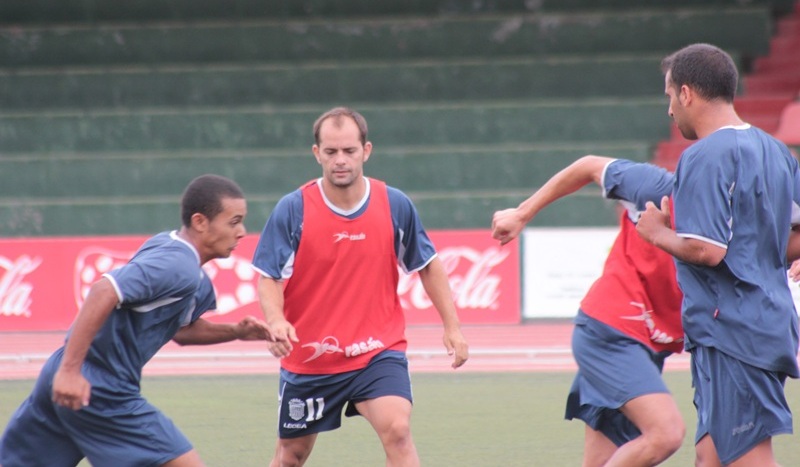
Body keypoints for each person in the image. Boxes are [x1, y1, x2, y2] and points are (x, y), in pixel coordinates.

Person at [0, 174, 275, 467]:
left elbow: (181, 331)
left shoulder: (179, 260)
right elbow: (104, 290)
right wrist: (71, 371)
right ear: (200, 222)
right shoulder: (178, 266)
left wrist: (235, 331)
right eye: (233, 221)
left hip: (64, 372)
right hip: (100, 388)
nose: (242, 231)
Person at [252, 106, 469, 467]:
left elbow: (428, 266)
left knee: (398, 430)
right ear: (316, 153)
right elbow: (269, 278)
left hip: (376, 350)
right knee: (291, 455)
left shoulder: (395, 204)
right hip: (312, 359)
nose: (341, 160)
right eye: (331, 151)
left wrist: (453, 327)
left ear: (366, 151)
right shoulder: (293, 210)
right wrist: (275, 321)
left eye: (349, 151)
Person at [637, 43, 800, 466]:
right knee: (711, 458)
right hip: (760, 323)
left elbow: (705, 249)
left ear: (687, 93)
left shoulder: (705, 156)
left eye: (670, 96)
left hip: (733, 330)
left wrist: (656, 232)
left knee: (747, 458)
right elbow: (790, 240)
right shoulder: (775, 151)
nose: (670, 110)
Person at [492, 155, 685, 466]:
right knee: (666, 433)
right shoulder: (659, 187)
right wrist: (521, 213)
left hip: (650, 346)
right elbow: (589, 166)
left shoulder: (740, 219)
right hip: (612, 332)